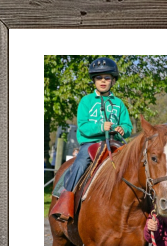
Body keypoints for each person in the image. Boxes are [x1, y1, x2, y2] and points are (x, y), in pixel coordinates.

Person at [50, 57, 133, 222]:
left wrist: (123, 129)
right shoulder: (86, 101)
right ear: (94, 81)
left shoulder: (119, 104)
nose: (103, 81)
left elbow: (128, 125)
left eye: (107, 77)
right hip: (91, 144)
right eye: (99, 78)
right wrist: (102, 127)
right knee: (80, 164)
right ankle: (65, 203)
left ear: (114, 80)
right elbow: (83, 126)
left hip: (116, 144)